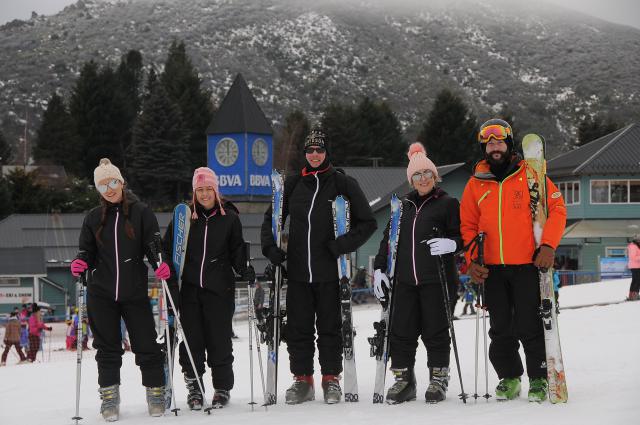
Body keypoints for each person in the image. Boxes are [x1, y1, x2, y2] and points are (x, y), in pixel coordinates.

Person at [260, 127, 377, 404]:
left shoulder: (342, 183)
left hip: (330, 273)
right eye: (310, 150)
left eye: (319, 150)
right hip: (299, 273)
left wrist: (341, 245)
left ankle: (330, 379)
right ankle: (303, 380)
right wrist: (272, 249)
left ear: (327, 153)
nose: (314, 155)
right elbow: (270, 219)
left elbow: (368, 223)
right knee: (299, 329)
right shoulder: (292, 185)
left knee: (330, 327)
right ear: (305, 154)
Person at [460, 119, 566, 403]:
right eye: (489, 143)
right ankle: (509, 377)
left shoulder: (532, 176)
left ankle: (539, 378)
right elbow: (468, 226)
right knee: (500, 328)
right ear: (484, 148)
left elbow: (557, 209)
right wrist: (472, 261)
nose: (495, 147)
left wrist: (548, 245)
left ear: (509, 144)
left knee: (530, 325)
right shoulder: (475, 184)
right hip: (491, 268)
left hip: (528, 266)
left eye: (500, 142)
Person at [70, 158, 170, 421]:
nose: (110, 189)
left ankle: (156, 392)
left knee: (146, 344)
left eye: (113, 182)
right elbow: (86, 251)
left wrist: (161, 264)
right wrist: (80, 263)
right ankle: (109, 397)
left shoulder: (141, 213)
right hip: (101, 293)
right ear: (98, 190)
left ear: (122, 182)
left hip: (134, 292)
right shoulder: (93, 218)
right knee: (107, 347)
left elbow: (154, 247)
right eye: (103, 185)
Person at [372, 142, 461, 404]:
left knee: (436, 331)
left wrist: (452, 244)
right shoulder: (401, 207)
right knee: (402, 332)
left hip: (437, 280)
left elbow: (461, 235)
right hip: (404, 282)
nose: (423, 179)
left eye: (427, 174)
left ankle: (438, 378)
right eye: (417, 175)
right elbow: (388, 241)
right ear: (411, 179)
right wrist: (379, 269)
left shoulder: (447, 204)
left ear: (435, 177)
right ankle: (404, 380)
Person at [163, 167, 254, 410]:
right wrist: (165, 267)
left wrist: (245, 268)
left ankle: (221, 388)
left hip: (219, 290)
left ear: (216, 190)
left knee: (219, 341)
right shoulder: (184, 218)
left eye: (208, 189)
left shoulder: (229, 219)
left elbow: (237, 251)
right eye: (199, 190)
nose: (204, 195)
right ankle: (194, 387)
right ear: (194, 192)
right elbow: (167, 248)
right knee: (192, 341)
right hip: (190, 290)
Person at [627, 235, 640, 301]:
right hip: (635, 266)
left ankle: (633, 295)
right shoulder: (633, 246)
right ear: (637, 240)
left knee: (636, 280)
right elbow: (633, 257)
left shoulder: (637, 246)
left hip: (637, 266)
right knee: (637, 280)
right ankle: (634, 295)